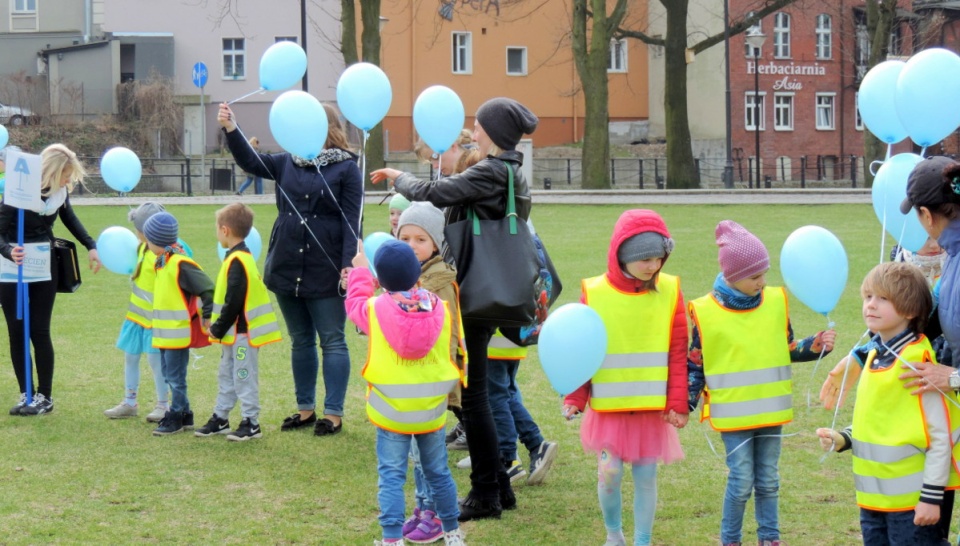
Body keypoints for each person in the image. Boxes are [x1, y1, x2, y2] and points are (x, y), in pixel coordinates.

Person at [371, 96, 538, 520]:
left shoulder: (492, 170)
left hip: (478, 294)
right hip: (492, 289)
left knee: (474, 398)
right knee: (476, 396)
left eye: (480, 126)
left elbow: (434, 193)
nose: (473, 132)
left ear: (496, 133)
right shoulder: (511, 172)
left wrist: (399, 178)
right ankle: (499, 486)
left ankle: (485, 491)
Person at [687, 220, 836, 546]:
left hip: (770, 411)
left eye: (764, 274)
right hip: (734, 417)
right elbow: (696, 363)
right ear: (731, 275)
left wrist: (815, 345)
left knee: (768, 480)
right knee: (741, 481)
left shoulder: (775, 301)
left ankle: (770, 539)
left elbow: (785, 349)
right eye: (755, 276)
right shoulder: (706, 311)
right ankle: (731, 540)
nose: (763, 281)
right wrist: (683, 403)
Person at [218, 101, 361, 436]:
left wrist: (347, 265)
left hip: (326, 266)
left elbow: (353, 220)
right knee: (300, 340)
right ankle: (305, 409)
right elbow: (250, 161)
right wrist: (231, 128)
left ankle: (334, 413)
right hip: (286, 264)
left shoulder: (346, 169)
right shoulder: (286, 163)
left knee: (332, 340)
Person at [560, 209, 688, 546]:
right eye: (643, 258)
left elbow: (678, 351)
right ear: (621, 256)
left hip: (650, 409)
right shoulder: (595, 291)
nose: (652, 266)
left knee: (646, 476)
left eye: (658, 257)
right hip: (609, 409)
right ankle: (614, 534)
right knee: (610, 474)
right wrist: (575, 396)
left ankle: (642, 540)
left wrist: (678, 402)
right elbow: (582, 349)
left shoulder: (671, 291)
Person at [816, 262, 951, 546]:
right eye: (868, 297)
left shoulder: (916, 364)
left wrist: (931, 498)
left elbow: (940, 437)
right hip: (873, 501)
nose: (871, 305)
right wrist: (845, 438)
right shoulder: (876, 354)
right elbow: (880, 418)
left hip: (912, 506)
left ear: (911, 310)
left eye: (883, 299)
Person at [345, 239, 466, 546]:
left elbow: (355, 305)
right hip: (431, 411)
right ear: (417, 273)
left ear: (381, 279)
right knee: (439, 474)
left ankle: (392, 539)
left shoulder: (376, 309)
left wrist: (360, 274)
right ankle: (452, 532)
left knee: (391, 477)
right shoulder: (441, 306)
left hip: (391, 413)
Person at [1, 143, 101, 416]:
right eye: (66, 175)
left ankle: (44, 396)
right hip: (12, 269)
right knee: (17, 331)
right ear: (51, 171)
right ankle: (26, 394)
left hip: (44, 266)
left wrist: (91, 245)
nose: (68, 181)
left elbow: (70, 219)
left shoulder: (59, 193)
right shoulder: (17, 191)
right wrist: (9, 250)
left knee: (39, 331)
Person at [393, 201, 465, 543]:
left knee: (429, 458)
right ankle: (422, 507)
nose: (410, 246)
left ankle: (435, 513)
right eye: (403, 238)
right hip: (408, 384)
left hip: (431, 383)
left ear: (435, 244)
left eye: (419, 239)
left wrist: (443, 379)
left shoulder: (439, 283)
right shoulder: (403, 280)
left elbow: (449, 336)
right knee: (414, 455)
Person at [196, 203, 282, 441]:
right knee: (226, 374)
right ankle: (220, 418)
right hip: (232, 335)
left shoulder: (238, 261)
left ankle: (251, 422)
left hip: (243, 335)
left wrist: (217, 327)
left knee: (243, 375)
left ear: (225, 230)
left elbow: (235, 300)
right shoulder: (237, 258)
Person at [144, 211, 214, 436]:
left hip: (176, 334)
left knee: (175, 377)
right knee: (169, 375)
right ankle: (185, 414)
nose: (146, 243)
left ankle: (176, 416)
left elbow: (208, 288)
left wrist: (207, 315)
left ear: (157, 240)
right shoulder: (163, 261)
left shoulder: (180, 262)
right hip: (165, 334)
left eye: (148, 239)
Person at [458, 330, 559, 486]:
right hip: (513, 340)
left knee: (495, 398)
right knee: (506, 395)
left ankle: (508, 459)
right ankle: (536, 444)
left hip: (493, 341)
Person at [103, 201, 170, 422]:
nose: (136, 233)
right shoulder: (141, 248)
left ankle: (163, 405)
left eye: (139, 229)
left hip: (156, 320)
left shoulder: (166, 253)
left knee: (155, 361)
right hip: (136, 317)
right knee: (130, 357)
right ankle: (129, 402)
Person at [413, 129, 478, 178]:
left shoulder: (477, 171)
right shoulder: (441, 178)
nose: (435, 166)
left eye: (436, 157)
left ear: (453, 146)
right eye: (430, 161)